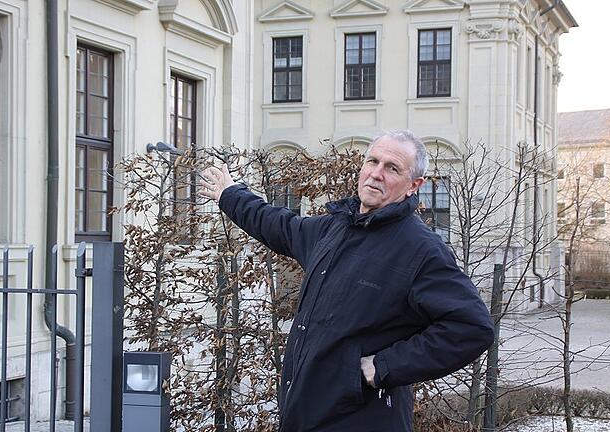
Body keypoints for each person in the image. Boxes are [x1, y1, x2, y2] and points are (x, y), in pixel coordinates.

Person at [199, 129, 495, 431]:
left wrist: (385, 366)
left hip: (363, 419)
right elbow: (279, 225)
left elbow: (471, 327)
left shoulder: (421, 250)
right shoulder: (334, 229)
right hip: (305, 414)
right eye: (373, 161)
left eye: (392, 168)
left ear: (413, 185)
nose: (376, 174)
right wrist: (230, 194)